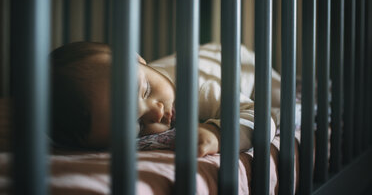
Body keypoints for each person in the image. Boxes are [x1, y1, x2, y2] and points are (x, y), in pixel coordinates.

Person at [50, 42, 282, 157]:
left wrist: (218, 134)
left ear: (138, 59)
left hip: (239, 61)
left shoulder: (196, 88)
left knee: (280, 102)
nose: (156, 112)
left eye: (146, 90)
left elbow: (260, 117)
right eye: (138, 125)